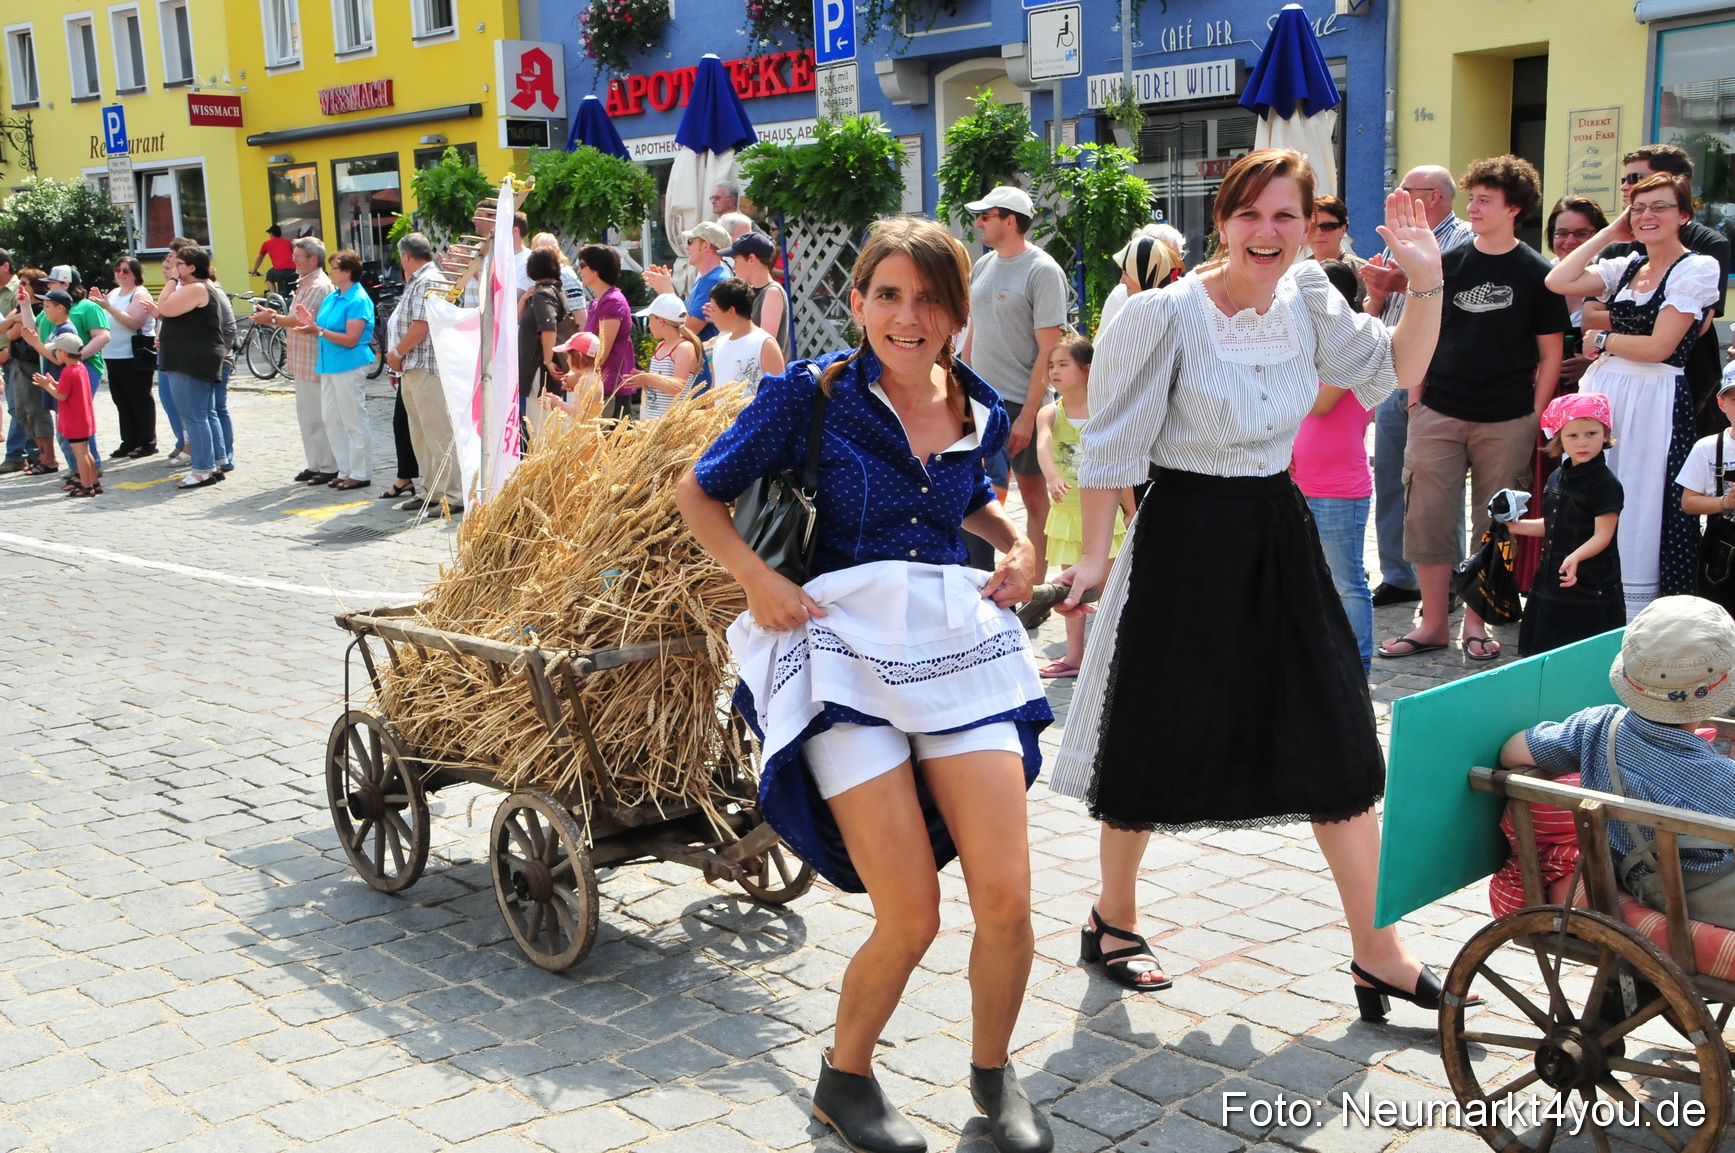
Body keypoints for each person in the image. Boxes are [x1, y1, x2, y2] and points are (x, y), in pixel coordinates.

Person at [675, 214, 1054, 1153]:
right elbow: (699, 490)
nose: (907, 314)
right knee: (912, 910)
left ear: (958, 313)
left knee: (1006, 896)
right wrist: (757, 580)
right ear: (856, 303)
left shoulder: (981, 407)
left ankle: (994, 1082)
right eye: (887, 294)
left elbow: (972, 498)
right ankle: (844, 1081)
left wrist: (1021, 543)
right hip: (839, 652)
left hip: (955, 646)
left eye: (929, 298)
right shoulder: (811, 395)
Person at [1050, 150, 1453, 1016]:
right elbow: (1109, 443)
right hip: (1182, 538)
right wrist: (1091, 556)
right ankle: (1112, 917)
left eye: (1286, 217)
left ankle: (1376, 948)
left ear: (1308, 227)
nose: (1267, 233)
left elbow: (1395, 370)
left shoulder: (1311, 296)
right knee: (1153, 730)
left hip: (1278, 531)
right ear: (1221, 222)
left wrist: (1428, 282)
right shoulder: (1159, 314)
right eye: (1249, 215)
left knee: (1336, 736)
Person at [1376, 155, 1566, 664]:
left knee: (1494, 524)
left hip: (1507, 417)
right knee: (1427, 519)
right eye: (1473, 197)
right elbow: (1422, 334)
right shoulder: (1447, 263)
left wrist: (1535, 414)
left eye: (1486, 199)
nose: (1474, 207)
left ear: (1514, 209)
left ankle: (1476, 624)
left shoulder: (1537, 273)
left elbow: (1551, 354)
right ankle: (1434, 623)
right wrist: (1416, 402)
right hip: (1438, 409)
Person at [1499, 596, 1735, 928]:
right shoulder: (1725, 781)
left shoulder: (1596, 728)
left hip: (1631, 875)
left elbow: (1512, 751)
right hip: (1707, 902)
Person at [1545, 172, 1720, 619]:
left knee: (1642, 502)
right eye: (1638, 207)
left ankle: (1637, 611)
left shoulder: (1696, 268)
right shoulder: (1624, 265)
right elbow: (1559, 281)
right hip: (1605, 397)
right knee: (1591, 492)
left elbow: (1660, 347)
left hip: (1654, 399)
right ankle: (1587, 599)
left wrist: (1602, 339)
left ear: (1683, 215)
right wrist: (1611, 231)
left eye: (1660, 206)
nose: (1647, 216)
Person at [1361, 165, 1473, 609]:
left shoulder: (1463, 238)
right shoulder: (1399, 238)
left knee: (1437, 483)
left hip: (1438, 378)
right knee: (1389, 477)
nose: (1399, 196)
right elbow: (1385, 303)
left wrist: (1403, 281)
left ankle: (1452, 579)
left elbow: (1459, 296)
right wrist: (1376, 289)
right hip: (1392, 368)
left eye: (1407, 190)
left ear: (1437, 196)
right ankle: (1399, 575)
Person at [960, 185, 1068, 576]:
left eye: (985, 216)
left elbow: (1050, 349)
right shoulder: (984, 266)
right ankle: (989, 575)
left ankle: (1035, 585)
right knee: (980, 495)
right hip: (981, 401)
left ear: (1010, 221)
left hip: (1024, 402)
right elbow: (975, 332)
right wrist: (960, 383)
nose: (978, 223)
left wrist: (1028, 416)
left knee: (1035, 497)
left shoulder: (1042, 270)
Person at [1594, 144, 1732, 440]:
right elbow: (1587, 313)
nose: (1625, 187)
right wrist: (1645, 325)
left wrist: (1607, 337)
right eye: (1625, 180)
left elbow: (1699, 325)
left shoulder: (1708, 245)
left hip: (1683, 379)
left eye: (1634, 178)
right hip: (1618, 382)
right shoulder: (1621, 246)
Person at [1292, 260, 1379, 673]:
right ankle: (1322, 659)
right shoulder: (1315, 349)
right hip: (1301, 482)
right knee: (1308, 580)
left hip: (1338, 489)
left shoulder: (1352, 349)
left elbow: (1319, 403)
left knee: (1347, 583)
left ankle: (1357, 663)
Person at [1034, 335, 1131, 680]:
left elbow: (1120, 464)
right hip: (1067, 516)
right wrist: (1050, 477)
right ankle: (1074, 656)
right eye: (1051, 365)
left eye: (1063, 364)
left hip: (1105, 517)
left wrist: (1130, 509)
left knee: (1111, 590)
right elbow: (1043, 444)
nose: (1055, 371)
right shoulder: (1050, 412)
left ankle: (1118, 657)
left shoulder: (1105, 412)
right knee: (1069, 592)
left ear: (1086, 370)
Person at [1511, 393, 1624, 656]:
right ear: (1559, 437)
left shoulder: (1606, 484)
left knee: (1584, 655)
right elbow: (1553, 525)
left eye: (1591, 433)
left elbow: (1602, 536)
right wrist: (1515, 527)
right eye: (1572, 435)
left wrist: (1575, 558)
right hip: (1551, 580)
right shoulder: (1556, 477)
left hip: (1589, 584)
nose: (1582, 442)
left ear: (1605, 433)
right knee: (1544, 652)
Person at [386, 233, 462, 514]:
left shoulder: (430, 279)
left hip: (427, 367)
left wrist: (397, 354)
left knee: (438, 433)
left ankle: (454, 495)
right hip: (412, 368)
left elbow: (422, 326)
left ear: (406, 255)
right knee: (420, 434)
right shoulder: (418, 280)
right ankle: (432, 490)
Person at [254, 238, 338, 485]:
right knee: (306, 415)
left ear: (313, 259)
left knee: (318, 416)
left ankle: (329, 465)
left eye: (298, 256)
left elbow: (301, 321)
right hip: (302, 360)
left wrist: (272, 319)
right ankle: (315, 464)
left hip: (313, 359)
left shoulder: (319, 286)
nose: (293, 260)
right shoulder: (306, 283)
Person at [144, 246, 227, 490]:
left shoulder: (197, 287)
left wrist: (170, 280)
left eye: (179, 263)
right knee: (204, 415)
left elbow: (164, 308)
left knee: (195, 417)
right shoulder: (195, 288)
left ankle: (202, 470)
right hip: (190, 358)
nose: (174, 268)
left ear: (192, 267)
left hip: (192, 362)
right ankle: (216, 463)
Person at [293, 249, 374, 491]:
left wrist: (317, 330)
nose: (331, 271)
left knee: (353, 419)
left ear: (348, 272)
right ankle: (345, 468)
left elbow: (351, 338)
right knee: (330, 419)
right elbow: (321, 326)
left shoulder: (357, 299)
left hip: (349, 364)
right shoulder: (334, 297)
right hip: (328, 365)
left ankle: (360, 472)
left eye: (335, 268)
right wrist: (311, 322)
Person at [43, 265, 109, 480]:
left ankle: (88, 470)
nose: (49, 286)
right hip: (59, 366)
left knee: (76, 420)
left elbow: (102, 336)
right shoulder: (51, 308)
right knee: (66, 421)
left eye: (52, 282)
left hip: (83, 369)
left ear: (66, 284)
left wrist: (76, 358)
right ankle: (78, 468)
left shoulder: (88, 307)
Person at [1677, 374, 1735, 616]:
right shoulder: (1709, 447)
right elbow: (1688, 503)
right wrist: (1725, 502)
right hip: (1722, 555)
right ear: (1721, 404)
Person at [88, 256, 157, 458]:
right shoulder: (115, 293)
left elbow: (134, 322)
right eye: (118, 270)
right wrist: (101, 304)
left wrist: (108, 306)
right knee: (121, 400)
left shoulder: (140, 294)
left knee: (139, 399)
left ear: (136, 274)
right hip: (112, 354)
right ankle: (128, 440)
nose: (121, 274)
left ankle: (146, 442)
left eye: (126, 271)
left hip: (133, 355)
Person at [1, 261, 56, 476]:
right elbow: (5, 329)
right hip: (16, 362)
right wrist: (15, 319)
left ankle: (46, 456)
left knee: (36, 411)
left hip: (33, 363)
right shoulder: (23, 306)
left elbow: (12, 333)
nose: (20, 286)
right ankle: (38, 454)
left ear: (35, 286)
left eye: (24, 283)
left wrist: (13, 321)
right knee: (21, 412)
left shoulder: (40, 308)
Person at [32, 332, 98, 497]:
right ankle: (94, 483)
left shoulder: (68, 371)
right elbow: (70, 388)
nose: (55, 354)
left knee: (80, 454)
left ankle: (85, 486)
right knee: (86, 452)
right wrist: (55, 383)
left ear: (63, 352)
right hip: (84, 418)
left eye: (56, 351)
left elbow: (61, 395)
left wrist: (47, 385)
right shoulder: (80, 367)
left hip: (74, 420)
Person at [520, 247, 574, 441]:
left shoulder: (543, 294)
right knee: (549, 424)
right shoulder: (555, 290)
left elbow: (549, 326)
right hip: (548, 365)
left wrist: (548, 361)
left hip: (539, 366)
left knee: (541, 426)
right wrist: (525, 300)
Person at [578, 245, 637, 420]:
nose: (579, 269)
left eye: (582, 264)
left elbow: (602, 351)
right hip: (599, 386)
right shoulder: (598, 302)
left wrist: (578, 375)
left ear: (596, 270)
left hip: (611, 389)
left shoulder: (612, 302)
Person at [646, 222, 730, 341]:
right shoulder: (705, 278)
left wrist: (667, 292)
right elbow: (683, 318)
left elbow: (690, 328)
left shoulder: (714, 280)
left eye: (690, 241)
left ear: (706, 246)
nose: (687, 247)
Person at [706, 277, 783, 397]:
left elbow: (779, 392)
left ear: (731, 311)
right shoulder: (719, 343)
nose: (712, 316)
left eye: (714, 310)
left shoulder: (765, 344)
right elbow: (714, 389)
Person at [717, 232, 789, 361]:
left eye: (736, 261)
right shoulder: (749, 291)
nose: (734, 267)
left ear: (752, 259)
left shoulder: (772, 292)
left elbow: (764, 342)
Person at [629, 295, 701, 422]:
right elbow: (657, 389)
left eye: (650, 320)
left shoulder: (683, 348)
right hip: (651, 420)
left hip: (670, 424)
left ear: (660, 321)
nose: (649, 326)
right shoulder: (660, 346)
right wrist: (644, 382)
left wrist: (648, 378)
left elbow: (678, 386)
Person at [1098, 229, 1183, 334]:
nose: (1177, 264)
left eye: (1179, 256)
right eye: (1169, 257)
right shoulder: (1121, 294)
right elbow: (1102, 346)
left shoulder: (1184, 292)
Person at [538, 331, 605, 422]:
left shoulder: (587, 381)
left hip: (584, 433)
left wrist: (558, 402)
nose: (567, 360)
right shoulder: (592, 378)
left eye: (568, 356)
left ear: (579, 356)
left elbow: (579, 414)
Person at [530, 232, 587, 325]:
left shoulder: (565, 275)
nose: (543, 259)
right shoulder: (537, 277)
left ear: (557, 251)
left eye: (548, 253)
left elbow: (580, 315)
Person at [1308, 195, 1365, 279]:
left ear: (1343, 229)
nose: (1317, 232)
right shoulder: (1294, 275)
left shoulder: (1364, 274)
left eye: (1327, 226)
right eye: (1312, 226)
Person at [250, 224, 298, 297]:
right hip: (293, 271)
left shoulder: (266, 244)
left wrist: (254, 270)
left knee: (269, 275)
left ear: (271, 234)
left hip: (279, 271)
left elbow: (259, 259)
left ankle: (274, 296)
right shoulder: (287, 242)